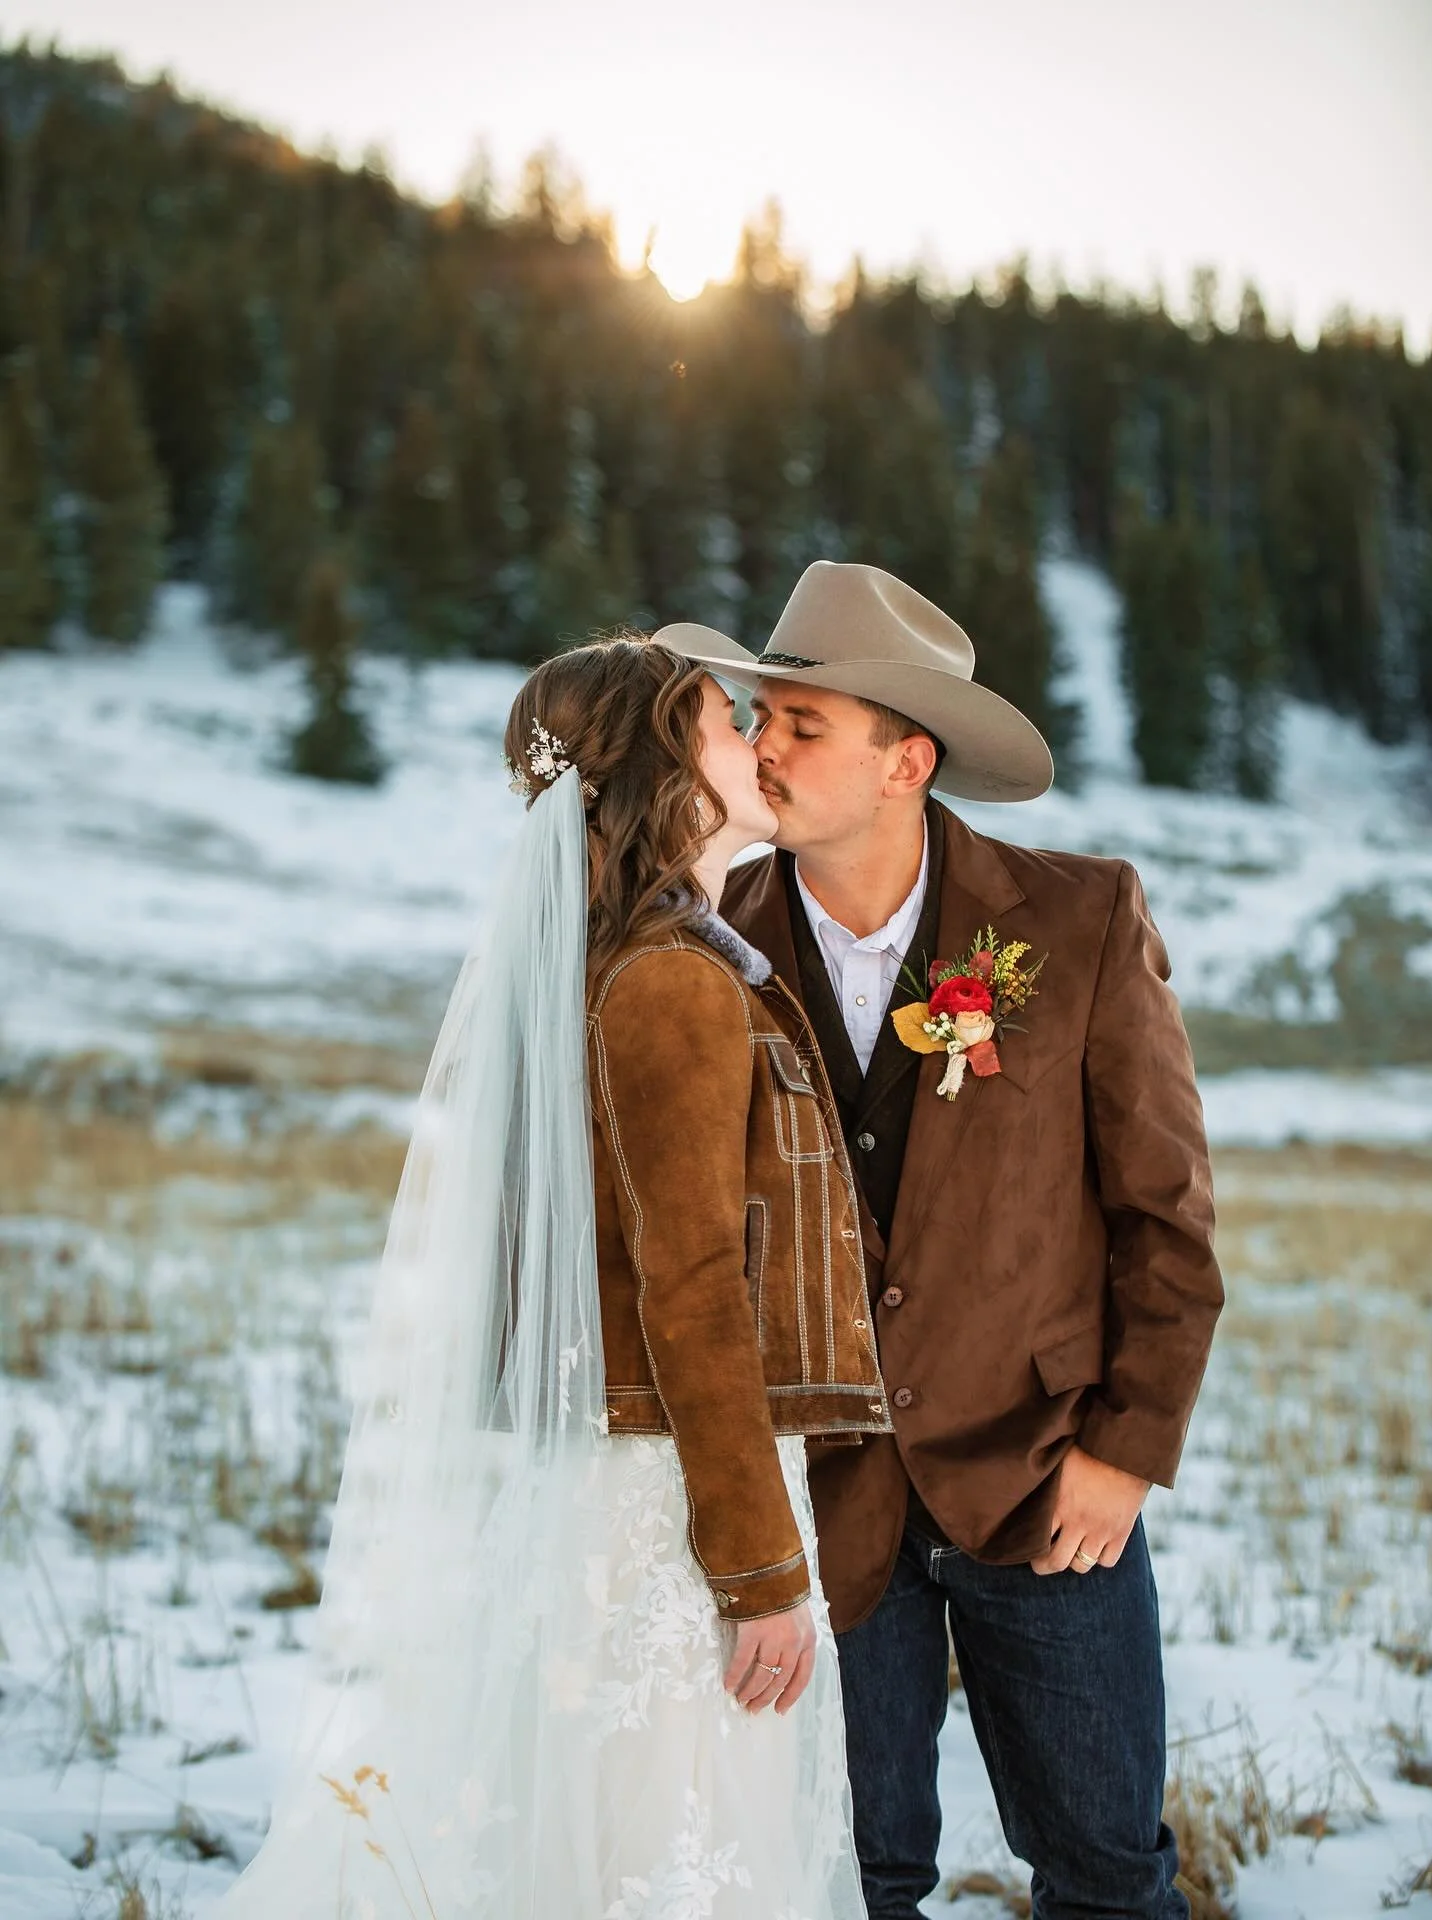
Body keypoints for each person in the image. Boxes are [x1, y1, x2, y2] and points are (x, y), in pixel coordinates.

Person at [208, 636, 888, 1918]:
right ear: (667, 776)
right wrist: (758, 1575)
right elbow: (691, 1291)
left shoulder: (621, 962)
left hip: (617, 1479)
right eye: (725, 724)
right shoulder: (672, 983)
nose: (759, 745)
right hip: (672, 1510)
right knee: (664, 1838)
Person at [658, 562, 1225, 1920]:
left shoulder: (1077, 923)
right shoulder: (711, 946)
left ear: (907, 759)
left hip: (1049, 1485)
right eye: (759, 716)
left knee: (1103, 1866)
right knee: (854, 1875)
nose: (764, 746)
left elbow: (1167, 1220)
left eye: (803, 724)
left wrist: (1124, 1455)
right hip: (826, 1500)